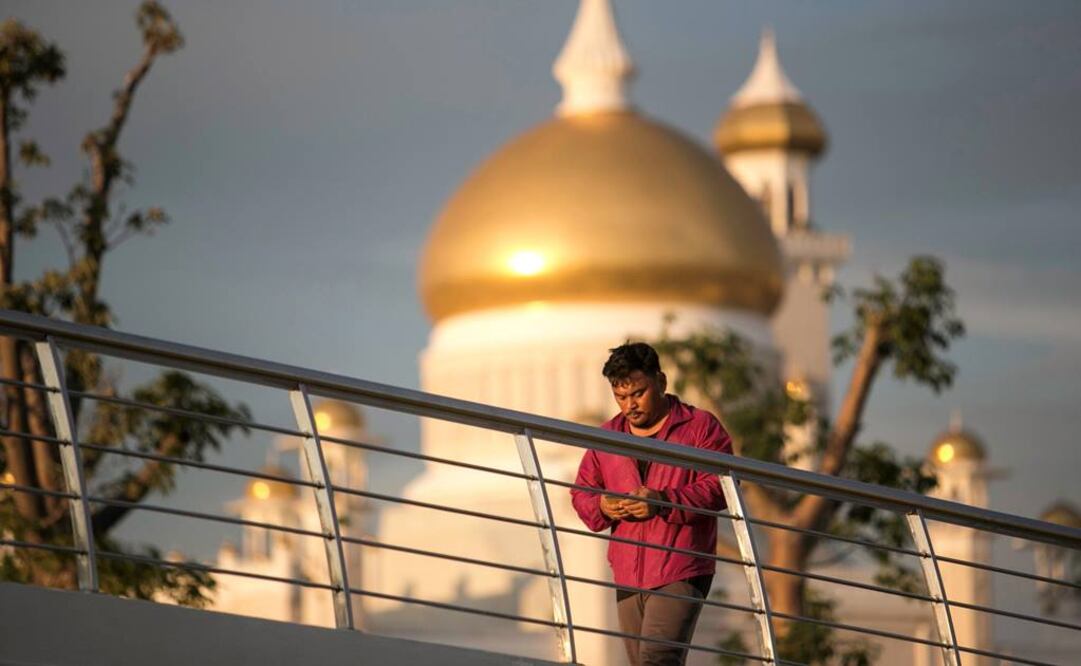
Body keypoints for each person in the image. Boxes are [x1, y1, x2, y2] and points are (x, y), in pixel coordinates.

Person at [570, 342, 732, 666]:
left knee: (657, 659)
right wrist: (602, 506)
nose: (629, 405)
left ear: (661, 381)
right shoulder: (607, 436)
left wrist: (665, 502)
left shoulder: (699, 427)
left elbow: (721, 486)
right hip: (628, 572)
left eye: (638, 393)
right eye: (620, 396)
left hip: (681, 567)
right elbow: (581, 493)